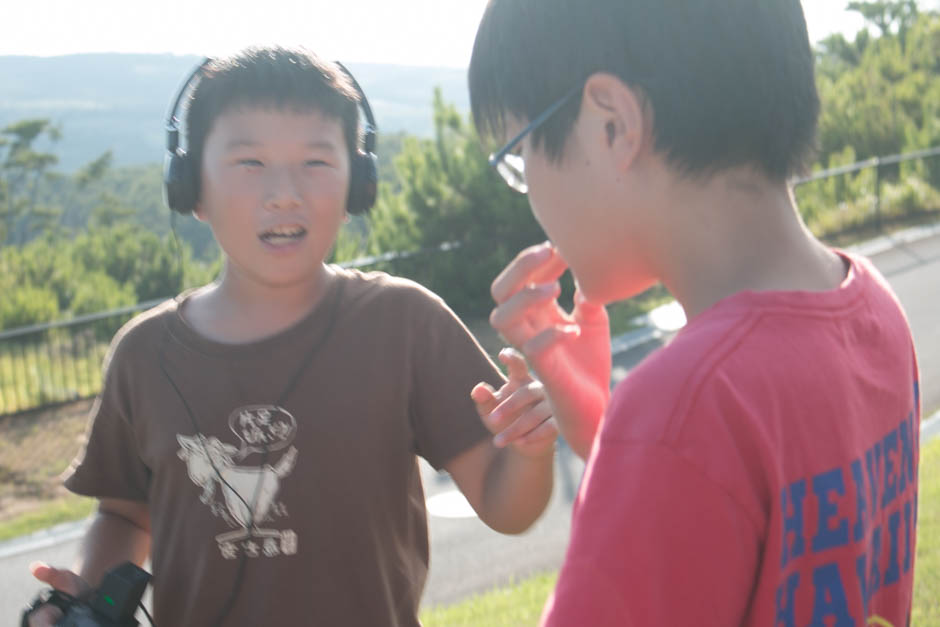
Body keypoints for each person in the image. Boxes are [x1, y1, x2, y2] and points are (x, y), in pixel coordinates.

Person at [24, 47, 559, 627]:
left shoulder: (404, 324)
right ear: (191, 190)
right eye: (249, 162)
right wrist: (89, 603)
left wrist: (528, 451)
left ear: (358, 184)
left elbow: (507, 508)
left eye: (315, 162)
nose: (285, 192)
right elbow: (125, 514)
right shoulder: (144, 355)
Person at [468, 1, 921, 625]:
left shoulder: (682, 411)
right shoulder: (874, 310)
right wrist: (604, 434)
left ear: (612, 126)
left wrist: (640, 438)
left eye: (518, 158)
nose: (531, 197)